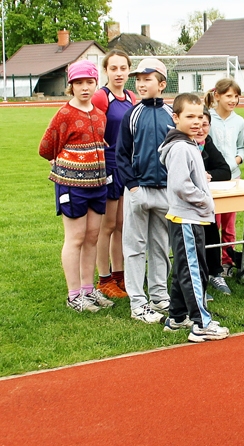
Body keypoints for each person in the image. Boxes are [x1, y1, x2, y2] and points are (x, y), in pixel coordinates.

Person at [39, 60, 114, 313]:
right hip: (72, 185)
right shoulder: (64, 114)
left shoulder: (99, 114)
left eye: (89, 82)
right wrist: (64, 161)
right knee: (76, 237)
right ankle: (74, 296)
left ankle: (88, 290)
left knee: (92, 236)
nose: (84, 87)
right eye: (79, 83)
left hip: (98, 184)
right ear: (71, 85)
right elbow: (46, 147)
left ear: (96, 84)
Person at [158, 93, 229, 343]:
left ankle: (177, 316)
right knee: (194, 271)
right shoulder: (179, 147)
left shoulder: (189, 144)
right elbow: (180, 185)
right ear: (176, 118)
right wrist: (204, 198)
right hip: (186, 218)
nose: (197, 122)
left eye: (200, 116)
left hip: (190, 218)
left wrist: (202, 183)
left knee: (184, 268)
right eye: (190, 117)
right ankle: (202, 323)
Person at [116, 58, 173, 324]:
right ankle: (138, 302)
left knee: (160, 245)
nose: (140, 83)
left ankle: (160, 295)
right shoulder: (132, 113)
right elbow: (121, 155)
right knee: (135, 247)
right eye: (138, 79)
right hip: (138, 190)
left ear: (161, 84)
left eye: (147, 79)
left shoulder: (172, 114)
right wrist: (133, 186)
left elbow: (180, 153)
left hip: (165, 192)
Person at [92, 50, 136, 299]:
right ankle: (104, 278)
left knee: (122, 224)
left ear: (129, 70)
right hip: (107, 166)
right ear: (106, 71)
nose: (119, 73)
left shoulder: (131, 96)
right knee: (106, 225)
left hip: (125, 166)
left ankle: (120, 275)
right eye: (114, 68)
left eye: (123, 68)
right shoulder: (101, 97)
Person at [205, 78, 244, 276]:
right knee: (215, 223)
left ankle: (228, 260)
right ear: (217, 96)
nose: (233, 100)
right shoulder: (208, 119)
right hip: (214, 180)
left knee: (229, 225)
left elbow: (241, 147)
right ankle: (213, 264)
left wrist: (237, 160)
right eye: (229, 96)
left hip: (233, 179)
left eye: (236, 96)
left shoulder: (239, 121)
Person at [196, 107, 232, 297]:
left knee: (211, 228)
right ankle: (198, 279)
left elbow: (225, 170)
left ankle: (215, 272)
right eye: (198, 124)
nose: (201, 129)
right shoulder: (183, 145)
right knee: (195, 235)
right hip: (187, 204)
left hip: (206, 202)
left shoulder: (207, 143)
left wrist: (209, 175)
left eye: (205, 125)